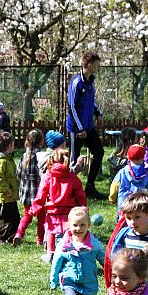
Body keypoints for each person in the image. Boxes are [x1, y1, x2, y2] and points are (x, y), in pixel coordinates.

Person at [13, 148, 87, 263]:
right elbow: (80, 195)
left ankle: (50, 254)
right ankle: (70, 252)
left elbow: (41, 195)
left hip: (52, 212)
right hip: (69, 212)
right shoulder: (73, 177)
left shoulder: (48, 177)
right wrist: (83, 207)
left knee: (51, 232)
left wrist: (34, 209)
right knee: (69, 233)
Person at [51, 206, 104, 295]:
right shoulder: (64, 244)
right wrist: (54, 279)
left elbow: (105, 259)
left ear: (89, 225)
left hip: (88, 282)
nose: (78, 228)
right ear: (69, 224)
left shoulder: (94, 244)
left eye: (82, 225)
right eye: (75, 225)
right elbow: (57, 261)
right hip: (70, 280)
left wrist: (113, 273)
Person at [66, 51, 105, 199]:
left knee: (99, 152)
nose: (98, 66)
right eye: (96, 64)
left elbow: (90, 102)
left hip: (89, 128)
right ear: (87, 64)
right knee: (73, 160)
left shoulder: (91, 82)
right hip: (77, 129)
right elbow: (72, 107)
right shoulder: (76, 82)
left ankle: (89, 187)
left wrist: (98, 113)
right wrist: (80, 129)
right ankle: (68, 191)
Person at [0, 132, 20, 243]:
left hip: (11, 196)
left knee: (15, 218)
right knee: (4, 218)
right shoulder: (1, 162)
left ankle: (11, 237)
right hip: (4, 197)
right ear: (8, 147)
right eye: (13, 144)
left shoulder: (8, 160)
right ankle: (0, 238)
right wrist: (6, 189)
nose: (14, 146)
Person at [108, 145, 148, 210]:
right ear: (143, 158)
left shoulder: (122, 172)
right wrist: (147, 196)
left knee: (123, 219)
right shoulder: (146, 173)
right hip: (140, 204)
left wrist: (112, 198)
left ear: (128, 157)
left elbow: (114, 186)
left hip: (124, 205)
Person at [18, 129, 44, 222]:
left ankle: (19, 233)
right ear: (42, 141)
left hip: (26, 193)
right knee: (42, 218)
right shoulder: (42, 157)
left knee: (27, 216)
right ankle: (40, 237)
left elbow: (19, 174)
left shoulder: (24, 156)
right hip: (39, 195)